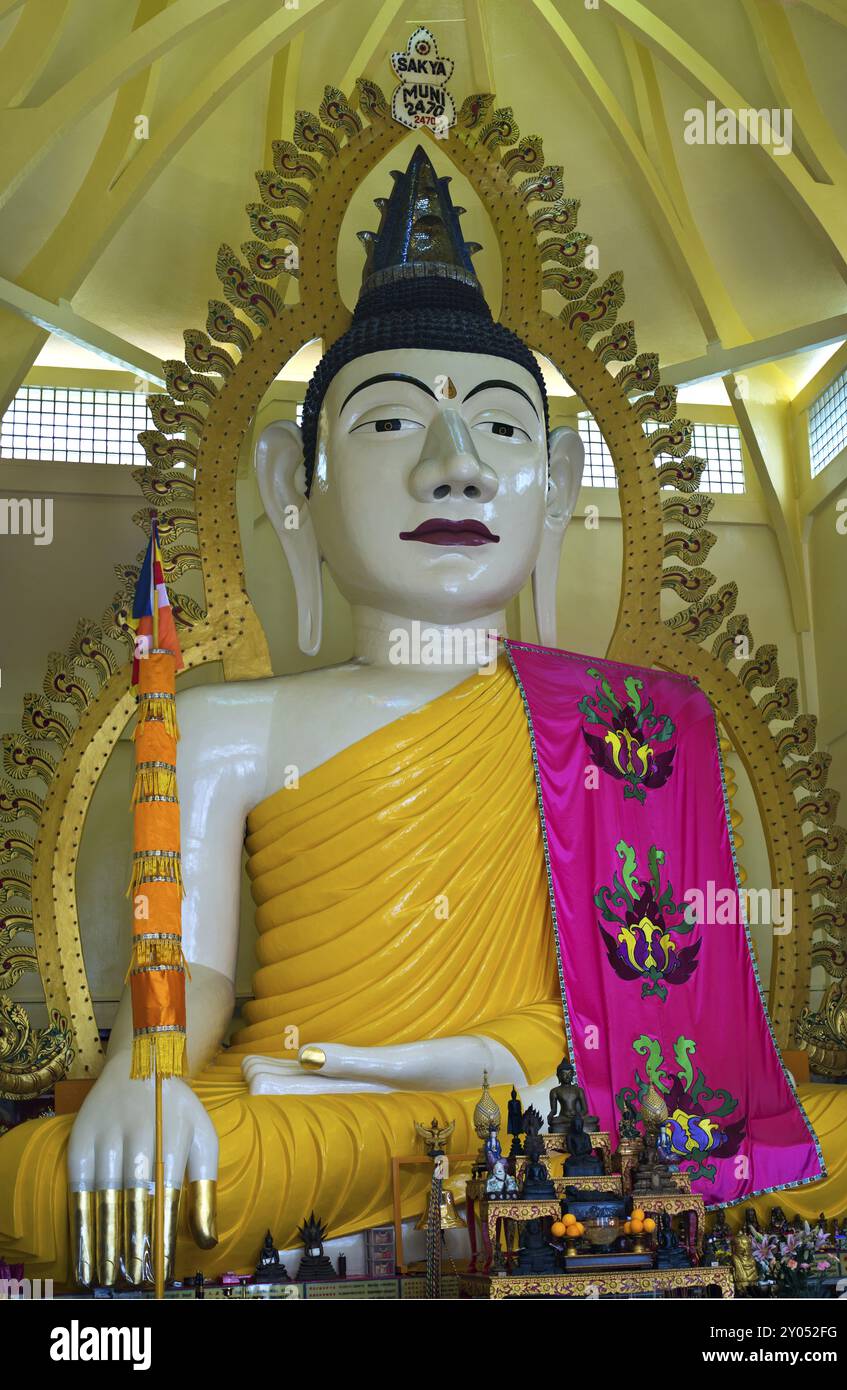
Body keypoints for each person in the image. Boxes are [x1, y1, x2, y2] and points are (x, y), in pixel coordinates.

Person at [0, 147, 584, 1285]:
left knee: (831, 1138)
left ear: (554, 489)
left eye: (501, 432)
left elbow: (636, 992)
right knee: (64, 1175)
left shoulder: (599, 726)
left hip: (509, 1099)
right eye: (387, 424)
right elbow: (199, 971)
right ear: (290, 487)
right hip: (290, 1107)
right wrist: (147, 1070)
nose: (452, 470)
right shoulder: (231, 727)